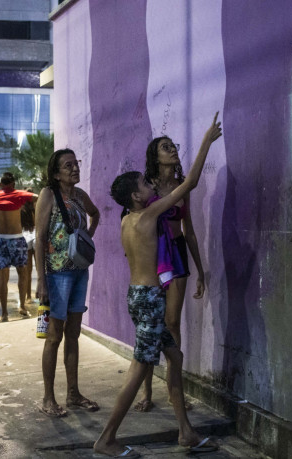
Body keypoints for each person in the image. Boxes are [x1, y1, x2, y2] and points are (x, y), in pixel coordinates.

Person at [94, 113, 222, 457]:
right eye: (144, 185)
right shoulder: (149, 215)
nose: (150, 187)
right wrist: (206, 141)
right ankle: (107, 438)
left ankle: (186, 432)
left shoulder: (128, 220)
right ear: (137, 197)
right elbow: (190, 182)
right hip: (150, 298)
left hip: (138, 296)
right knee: (140, 367)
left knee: (175, 357)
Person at [134, 135, 207, 412]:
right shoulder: (146, 187)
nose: (173, 150)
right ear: (155, 156)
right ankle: (146, 392)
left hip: (177, 254)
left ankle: (175, 392)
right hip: (152, 257)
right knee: (150, 324)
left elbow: (189, 231)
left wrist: (200, 270)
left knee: (172, 323)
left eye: (174, 146)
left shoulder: (181, 186)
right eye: (166, 147)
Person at [35, 150, 100, 417]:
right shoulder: (48, 195)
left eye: (76, 163)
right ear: (56, 173)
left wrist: (85, 240)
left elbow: (96, 214)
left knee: (73, 334)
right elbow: (39, 239)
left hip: (79, 272)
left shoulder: (80, 196)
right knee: (54, 337)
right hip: (56, 274)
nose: (75, 168)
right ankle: (48, 398)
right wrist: (41, 280)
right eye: (68, 165)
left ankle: (73, 394)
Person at [0, 173, 37, 321]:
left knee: (3, 278)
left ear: (0, 185)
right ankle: (22, 307)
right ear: (14, 184)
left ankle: (4, 314)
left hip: (0, 241)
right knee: (22, 274)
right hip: (17, 239)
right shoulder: (19, 194)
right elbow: (37, 197)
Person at [21, 189, 36, 304]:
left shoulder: (22, 209)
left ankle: (29, 296)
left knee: (28, 270)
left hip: (26, 236)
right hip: (34, 235)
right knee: (39, 269)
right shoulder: (35, 208)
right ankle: (35, 295)